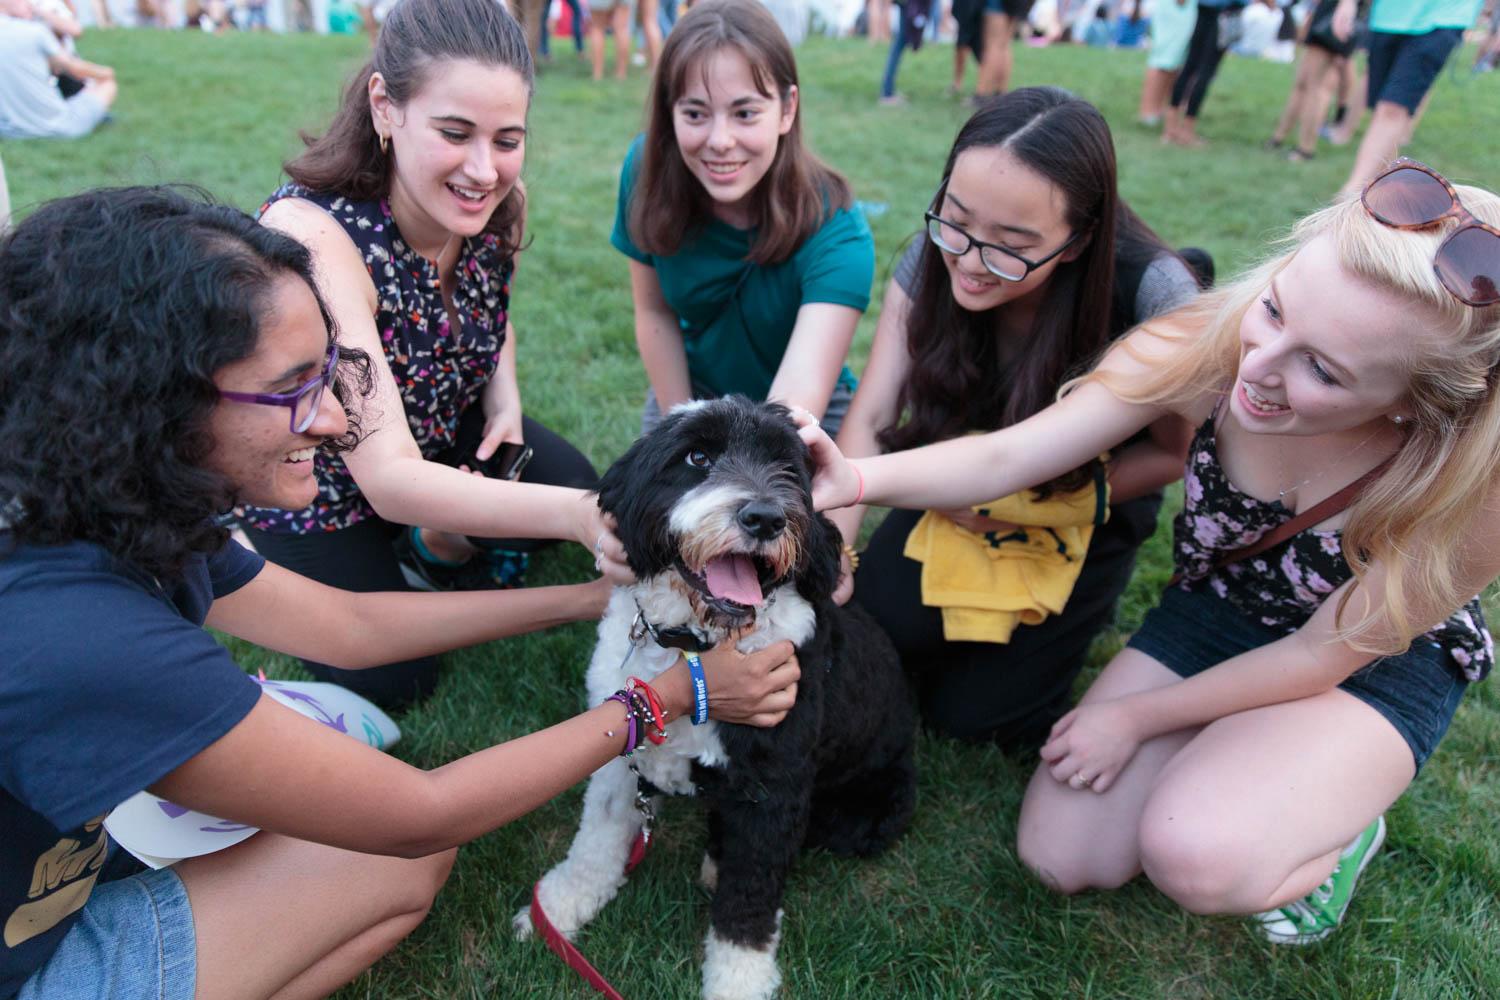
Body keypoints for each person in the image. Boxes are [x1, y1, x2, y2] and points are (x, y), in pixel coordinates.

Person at [0, 185, 802, 1000]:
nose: (333, 422)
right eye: (294, 389)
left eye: (332, 375)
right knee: (407, 850)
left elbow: (346, 624)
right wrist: (670, 694)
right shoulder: (78, 635)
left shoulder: (108, 505)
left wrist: (577, 601)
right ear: (154, 403)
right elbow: (422, 813)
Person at [801, 160, 1500, 943]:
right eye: (1275, 310)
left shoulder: (1476, 483)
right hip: (1222, 612)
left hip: (1366, 663)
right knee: (1059, 856)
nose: (1260, 369)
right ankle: (1250, 768)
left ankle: (1337, 834)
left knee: (1195, 855)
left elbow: (1317, 658)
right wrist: (854, 477)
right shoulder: (1204, 340)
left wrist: (1137, 719)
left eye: (1323, 370)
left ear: (1411, 404)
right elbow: (1012, 458)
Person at [251, 0, 614, 709]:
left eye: (508, 139)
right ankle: (251, 548)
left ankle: (432, 548)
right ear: (385, 106)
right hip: (315, 483)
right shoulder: (316, 238)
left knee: (571, 476)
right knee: (396, 680)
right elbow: (386, 477)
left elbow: (488, 310)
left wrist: (504, 395)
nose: (484, 168)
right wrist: (578, 514)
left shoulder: (493, 201)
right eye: (456, 133)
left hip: (439, 432)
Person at [828, 88, 1201, 748]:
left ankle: (1081, 610)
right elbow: (875, 415)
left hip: (1082, 509)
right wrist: (835, 547)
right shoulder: (929, 258)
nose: (969, 261)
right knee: (870, 633)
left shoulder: (1155, 295)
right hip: (955, 484)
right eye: (957, 218)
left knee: (974, 720)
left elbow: (1171, 457)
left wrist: (1016, 505)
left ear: (1080, 238)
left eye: (1012, 244)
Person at [613, 0, 876, 437]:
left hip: (800, 420)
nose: (720, 141)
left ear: (787, 109)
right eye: (695, 113)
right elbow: (654, 312)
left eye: (745, 113)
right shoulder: (646, 170)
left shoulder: (838, 229)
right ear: (669, 112)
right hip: (694, 396)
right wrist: (680, 430)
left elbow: (792, 407)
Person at [1333, 0, 1483, 195]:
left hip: (1443, 18)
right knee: (1382, 109)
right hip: (1388, 16)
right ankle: (1379, 199)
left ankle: (1351, 195)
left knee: (1392, 108)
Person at [0, 0, 115, 140]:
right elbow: (73, 67)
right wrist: (106, 73)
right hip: (54, 126)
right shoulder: (34, 32)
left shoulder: (39, 15)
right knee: (106, 84)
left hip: (7, 129)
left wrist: (39, 12)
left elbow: (74, 30)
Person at [1265, 0, 1362, 162]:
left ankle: (1305, 148)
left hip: (1336, 13)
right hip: (1333, 11)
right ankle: (1279, 138)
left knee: (1315, 85)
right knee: (1303, 82)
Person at [1162, 0, 1243, 146]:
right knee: (1205, 72)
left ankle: (1170, 128)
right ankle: (1187, 131)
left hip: (1204, 7)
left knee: (1189, 67)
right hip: (1225, 11)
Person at [1138, 0, 1196, 125]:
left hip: (1186, 7)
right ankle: (1149, 110)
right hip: (1174, 6)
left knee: (1176, 58)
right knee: (1163, 57)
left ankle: (1160, 108)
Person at [973, 0, 1033, 101]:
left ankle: (982, 93)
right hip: (1015, 5)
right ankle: (1000, 91)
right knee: (1004, 45)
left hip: (996, 5)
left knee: (992, 45)